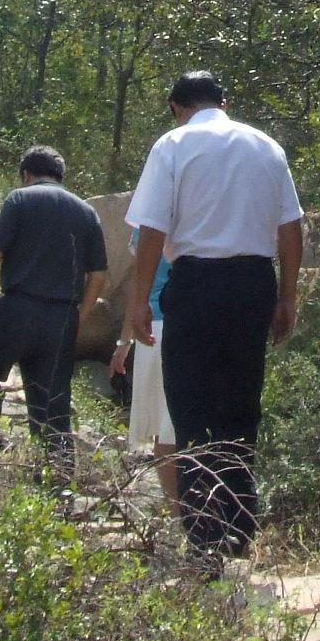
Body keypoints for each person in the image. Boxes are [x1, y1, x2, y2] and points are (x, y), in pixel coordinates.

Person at [122, 71, 305, 555]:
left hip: (196, 284)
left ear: (176, 106)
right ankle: (241, 527)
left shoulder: (174, 145)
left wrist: (140, 300)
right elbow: (291, 228)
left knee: (192, 407)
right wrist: (288, 297)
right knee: (241, 403)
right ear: (225, 101)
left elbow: (152, 228)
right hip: (252, 284)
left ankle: (205, 536)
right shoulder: (266, 147)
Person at [0, 147, 109, 472]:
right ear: (60, 175)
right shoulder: (85, 212)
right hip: (61, 315)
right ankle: (58, 482)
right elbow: (99, 275)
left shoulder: (19, 200)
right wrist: (82, 313)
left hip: (18, 308)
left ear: (26, 174)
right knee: (52, 404)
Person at [108, 256, 178, 507]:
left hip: (153, 328)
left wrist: (123, 343)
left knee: (165, 431)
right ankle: (187, 516)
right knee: (174, 428)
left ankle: (179, 517)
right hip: (190, 324)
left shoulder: (148, 221)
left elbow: (139, 286)